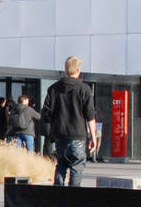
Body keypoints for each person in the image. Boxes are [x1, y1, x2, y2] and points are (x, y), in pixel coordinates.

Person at [41, 56, 99, 187]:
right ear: (78, 70)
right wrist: (93, 138)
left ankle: (58, 192)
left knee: (61, 163)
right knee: (77, 165)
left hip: (60, 135)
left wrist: (52, 132)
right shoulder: (84, 89)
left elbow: (46, 114)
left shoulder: (53, 89)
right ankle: (73, 195)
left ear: (66, 69)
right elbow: (90, 116)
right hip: (77, 135)